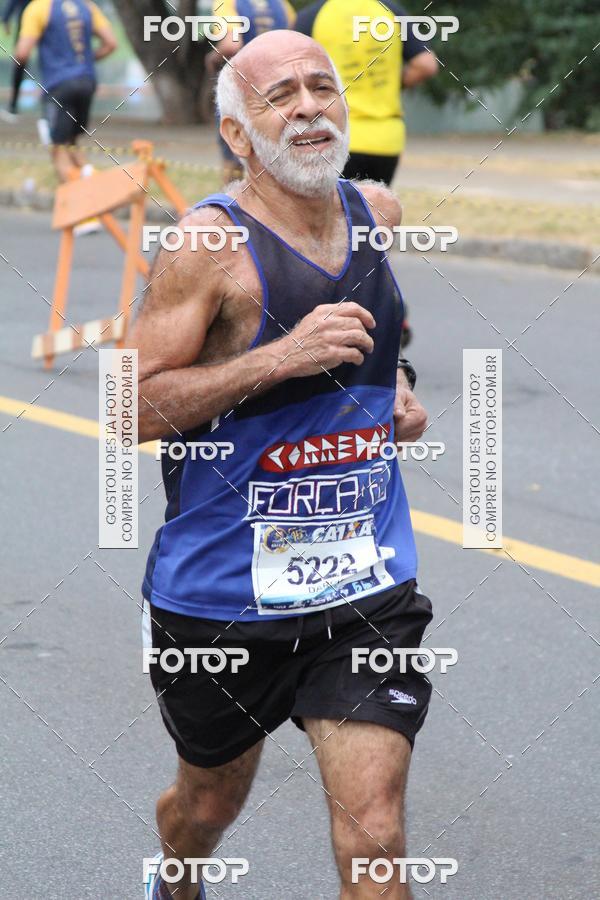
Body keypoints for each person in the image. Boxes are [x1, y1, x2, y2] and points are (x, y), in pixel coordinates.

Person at [133, 29, 433, 900]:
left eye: (321, 87)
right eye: (279, 96)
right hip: (222, 599)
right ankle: (178, 877)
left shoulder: (378, 214)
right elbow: (129, 406)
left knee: (375, 830)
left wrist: (399, 389)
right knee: (207, 803)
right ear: (237, 134)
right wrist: (276, 357)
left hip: (363, 584)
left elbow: (380, 350)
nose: (308, 107)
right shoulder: (206, 247)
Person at [295, 0, 438, 185]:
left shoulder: (311, 16)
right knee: (374, 210)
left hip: (333, 136)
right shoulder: (391, 11)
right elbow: (426, 64)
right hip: (385, 140)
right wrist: (396, 83)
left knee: (335, 211)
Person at [14, 0, 117, 182]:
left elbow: (22, 53)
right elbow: (111, 43)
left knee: (58, 148)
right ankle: (94, 187)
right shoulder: (86, 6)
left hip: (58, 85)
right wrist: (85, 60)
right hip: (87, 82)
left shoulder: (38, 8)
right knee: (72, 143)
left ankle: (77, 203)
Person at [205, 0, 296, 183]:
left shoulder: (227, 3)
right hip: (280, 94)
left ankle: (233, 209)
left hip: (242, 93)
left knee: (235, 160)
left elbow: (232, 44)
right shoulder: (282, 5)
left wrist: (212, 57)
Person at [0, 0, 29, 121]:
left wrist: (6, 18)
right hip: (28, 23)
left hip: (30, 22)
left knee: (19, 62)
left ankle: (13, 106)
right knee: (20, 62)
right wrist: (6, 18)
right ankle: (13, 106)